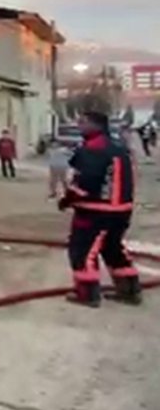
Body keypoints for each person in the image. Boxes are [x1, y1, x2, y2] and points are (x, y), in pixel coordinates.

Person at [57, 110, 142, 307]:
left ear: (97, 125)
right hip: (122, 210)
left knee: (83, 251)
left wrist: (67, 199)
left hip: (96, 210)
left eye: (83, 122)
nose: (79, 125)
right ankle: (129, 290)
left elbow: (86, 182)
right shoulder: (119, 149)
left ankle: (87, 294)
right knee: (113, 248)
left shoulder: (92, 149)